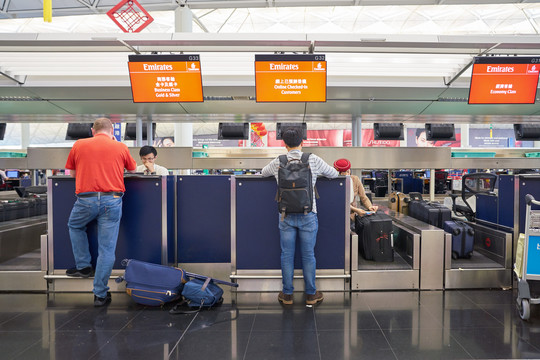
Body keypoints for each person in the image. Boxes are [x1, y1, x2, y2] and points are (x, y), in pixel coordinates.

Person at [65, 118, 137, 307]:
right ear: (112, 131)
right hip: (111, 200)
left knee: (75, 226)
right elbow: (132, 168)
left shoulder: (79, 144)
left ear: (92, 130)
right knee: (107, 249)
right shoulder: (120, 146)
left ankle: (84, 266)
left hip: (85, 199)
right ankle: (100, 295)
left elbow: (71, 174)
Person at [262, 128, 338, 306]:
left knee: (287, 255)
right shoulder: (312, 159)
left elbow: (263, 172)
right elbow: (333, 174)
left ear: (284, 144)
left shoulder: (278, 161)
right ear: (302, 142)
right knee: (308, 255)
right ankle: (311, 294)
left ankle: (287, 294)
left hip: (285, 215)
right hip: (308, 214)